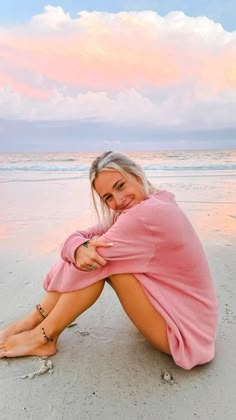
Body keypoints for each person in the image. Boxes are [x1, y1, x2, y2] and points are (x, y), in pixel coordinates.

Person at [0, 151, 218, 369]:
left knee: (98, 260)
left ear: (136, 174)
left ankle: (42, 336)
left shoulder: (146, 215)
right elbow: (80, 236)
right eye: (108, 197)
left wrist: (78, 252)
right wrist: (76, 248)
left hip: (183, 334)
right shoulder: (152, 202)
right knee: (93, 252)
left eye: (120, 186)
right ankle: (34, 323)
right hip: (192, 320)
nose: (118, 200)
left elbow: (85, 262)